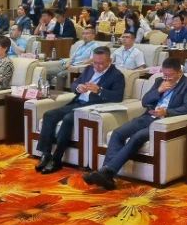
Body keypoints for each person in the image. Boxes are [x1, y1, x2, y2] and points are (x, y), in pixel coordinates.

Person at [85, 57, 187, 190]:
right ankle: (107, 175)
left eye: (170, 75)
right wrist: (159, 90)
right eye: (164, 74)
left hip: (163, 121)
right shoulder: (159, 81)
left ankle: (106, 172)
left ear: (179, 73)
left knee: (137, 136)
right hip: (148, 116)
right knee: (117, 133)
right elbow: (145, 101)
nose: (167, 78)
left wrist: (166, 112)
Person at [35, 45, 126, 173]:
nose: (97, 66)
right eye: (95, 62)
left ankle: (57, 159)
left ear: (109, 61)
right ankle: (45, 154)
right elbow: (74, 84)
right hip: (78, 102)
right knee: (49, 115)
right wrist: (78, 88)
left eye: (101, 63)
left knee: (68, 119)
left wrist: (99, 90)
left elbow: (118, 96)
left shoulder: (116, 75)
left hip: (92, 107)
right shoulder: (89, 69)